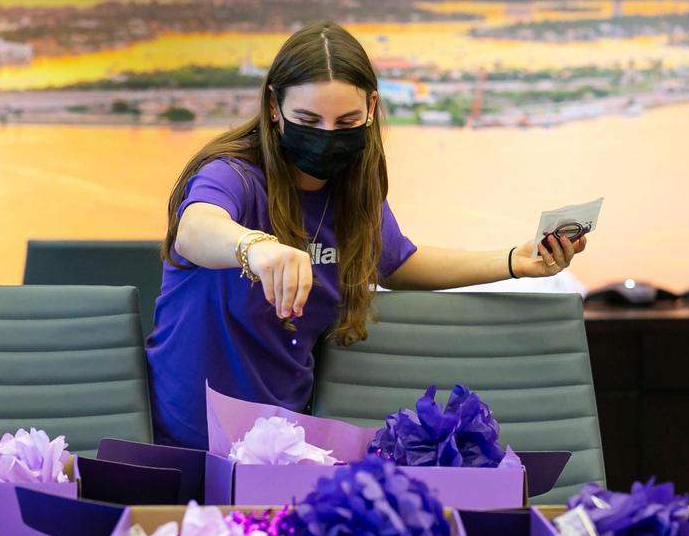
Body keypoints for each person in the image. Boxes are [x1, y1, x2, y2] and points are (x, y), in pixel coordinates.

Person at [145, 22, 587, 449]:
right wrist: (254, 247)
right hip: (191, 436)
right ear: (274, 107)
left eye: (346, 121)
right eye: (308, 119)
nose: (326, 136)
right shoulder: (234, 174)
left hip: (286, 436)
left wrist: (513, 261)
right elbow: (194, 230)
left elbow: (396, 262)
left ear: (372, 107)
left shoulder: (353, 189)